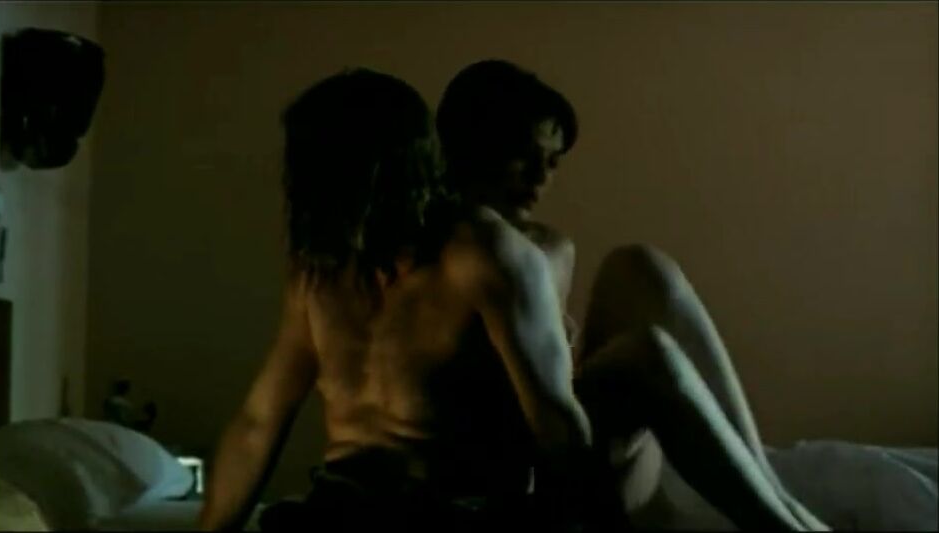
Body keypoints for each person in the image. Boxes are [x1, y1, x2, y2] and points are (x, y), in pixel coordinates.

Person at [198, 68, 602, 532]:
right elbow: (258, 421)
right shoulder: (321, 271)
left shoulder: (483, 253)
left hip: (452, 510)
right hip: (340, 505)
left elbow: (555, 421)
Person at [436, 59, 828, 531]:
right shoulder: (444, 251)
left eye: (552, 163)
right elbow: (544, 425)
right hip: (534, 478)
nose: (540, 178)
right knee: (647, 355)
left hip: (577, 451)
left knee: (639, 267)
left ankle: (776, 490)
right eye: (524, 156)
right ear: (476, 148)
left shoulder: (543, 248)